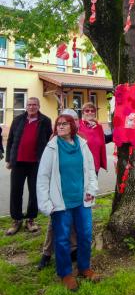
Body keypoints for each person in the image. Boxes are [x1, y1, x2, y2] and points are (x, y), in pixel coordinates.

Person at [37, 114, 99, 291]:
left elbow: (90, 169)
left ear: (72, 126)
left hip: (82, 200)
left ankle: (84, 268)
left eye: (65, 124)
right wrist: (46, 204)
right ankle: (65, 274)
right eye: (58, 124)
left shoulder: (82, 144)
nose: (61, 126)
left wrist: (91, 190)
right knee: (62, 239)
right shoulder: (52, 147)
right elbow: (43, 177)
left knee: (85, 236)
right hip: (61, 203)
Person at [38, 109, 78, 270]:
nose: (73, 122)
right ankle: (46, 253)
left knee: (74, 219)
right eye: (70, 120)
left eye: (75, 119)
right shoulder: (55, 139)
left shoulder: (78, 139)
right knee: (55, 221)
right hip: (59, 188)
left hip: (75, 187)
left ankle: (73, 249)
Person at [5, 97, 52, 235]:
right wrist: (9, 159)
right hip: (18, 162)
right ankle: (16, 219)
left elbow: (50, 141)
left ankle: (30, 220)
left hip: (36, 163)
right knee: (16, 191)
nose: (31, 107)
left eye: (34, 105)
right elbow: (11, 140)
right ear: (26, 106)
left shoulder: (45, 121)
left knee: (34, 192)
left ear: (39, 106)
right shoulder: (18, 120)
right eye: (29, 105)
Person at [78, 102, 111, 176]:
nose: (90, 112)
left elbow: (103, 140)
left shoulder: (98, 127)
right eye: (87, 110)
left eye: (92, 111)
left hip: (95, 163)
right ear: (83, 113)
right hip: (81, 164)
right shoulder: (78, 125)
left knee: (93, 186)